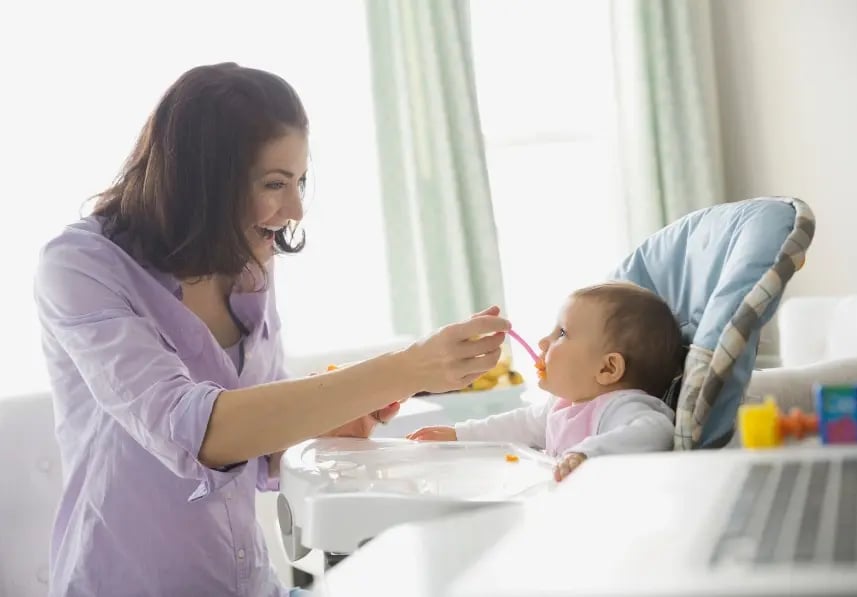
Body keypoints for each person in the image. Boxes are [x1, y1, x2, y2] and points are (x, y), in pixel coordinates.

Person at [34, 62, 510, 597]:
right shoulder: (81, 267)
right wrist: (408, 368)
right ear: (204, 182)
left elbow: (256, 437)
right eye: (275, 184)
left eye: (299, 181)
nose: (296, 209)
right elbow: (197, 434)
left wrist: (324, 426)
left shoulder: (247, 261)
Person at [409, 283, 683, 481]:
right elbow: (519, 424)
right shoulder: (560, 405)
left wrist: (587, 455)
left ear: (608, 368)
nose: (543, 342)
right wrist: (460, 435)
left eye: (562, 333)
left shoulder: (621, 406)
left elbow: (656, 431)